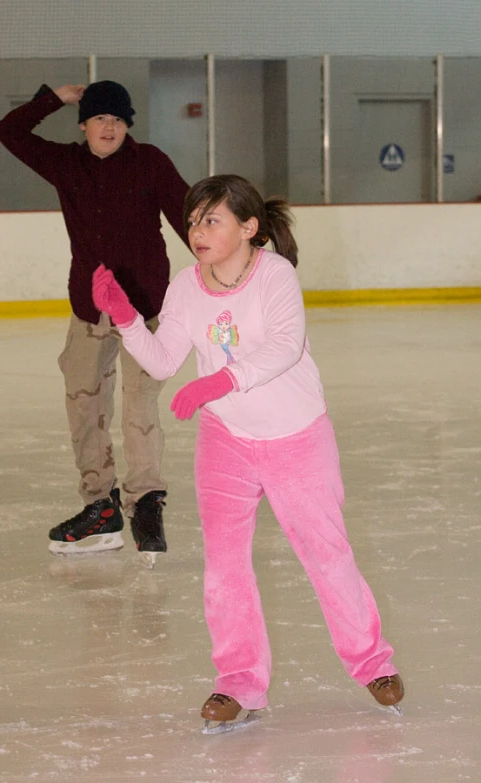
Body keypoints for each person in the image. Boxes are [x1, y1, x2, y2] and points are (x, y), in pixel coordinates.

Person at [91, 174, 405, 725]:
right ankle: (238, 684)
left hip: (296, 437)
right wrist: (127, 320)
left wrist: (221, 380)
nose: (197, 230)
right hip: (226, 441)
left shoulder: (276, 276)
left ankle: (372, 661)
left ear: (249, 227)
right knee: (224, 569)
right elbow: (164, 360)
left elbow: (285, 346)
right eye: (192, 220)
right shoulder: (187, 286)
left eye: (211, 219)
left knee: (327, 557)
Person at [0, 80, 189, 561]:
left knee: (140, 406)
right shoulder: (65, 163)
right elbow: (8, 131)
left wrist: (228, 266)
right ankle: (100, 507)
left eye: (119, 120)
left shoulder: (151, 163)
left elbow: (190, 218)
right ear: (83, 124)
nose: (110, 127)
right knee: (84, 407)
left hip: (143, 310)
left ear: (128, 126)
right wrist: (52, 99)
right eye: (100, 118)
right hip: (89, 309)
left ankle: (146, 503)